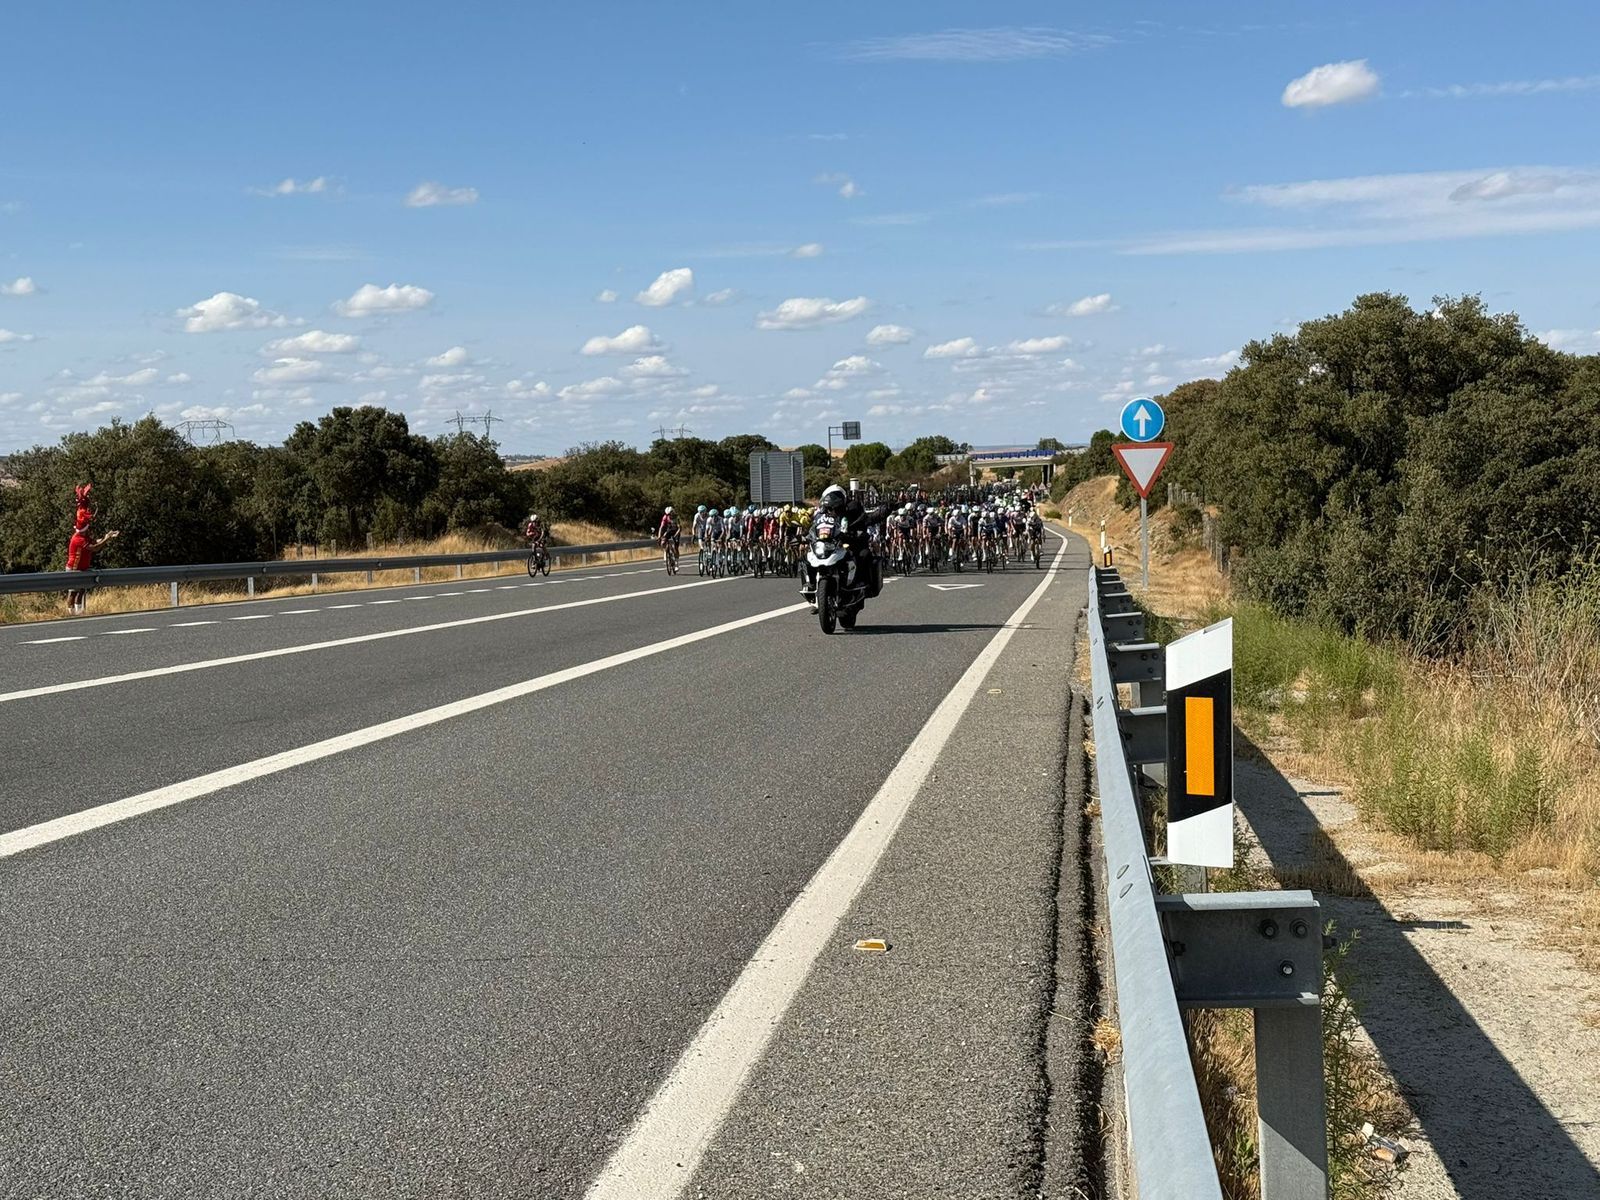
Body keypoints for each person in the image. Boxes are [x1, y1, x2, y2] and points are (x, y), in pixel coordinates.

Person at [800, 484, 888, 612]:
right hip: (829, 544)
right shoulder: (822, 514)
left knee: (863, 555)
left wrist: (858, 532)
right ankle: (811, 585)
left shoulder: (853, 508)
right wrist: (803, 536)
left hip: (850, 542)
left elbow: (866, 519)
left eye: (835, 505)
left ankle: (860, 586)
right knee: (806, 558)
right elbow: (814, 527)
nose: (833, 509)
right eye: (830, 506)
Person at [65, 512, 120, 616]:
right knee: (72, 592)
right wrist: (106, 539)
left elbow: (95, 542)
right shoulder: (78, 539)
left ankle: (79, 612)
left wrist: (107, 536)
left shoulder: (84, 536)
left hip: (82, 568)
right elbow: (95, 548)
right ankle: (71, 614)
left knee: (81, 590)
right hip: (74, 568)